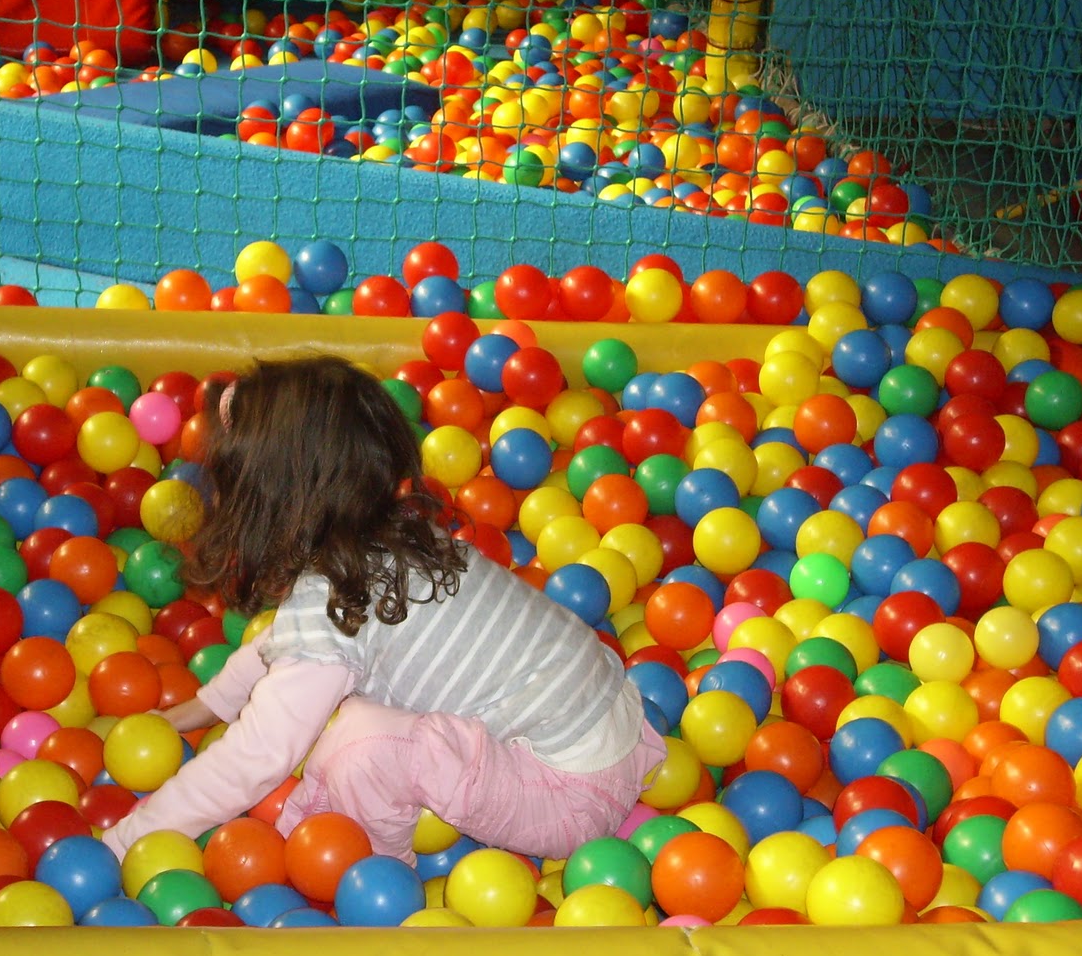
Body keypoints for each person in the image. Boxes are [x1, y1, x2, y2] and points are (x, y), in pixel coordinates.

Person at [99, 354, 666, 864]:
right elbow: (282, 645)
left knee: (361, 746)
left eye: (226, 482)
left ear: (267, 501)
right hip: (613, 723)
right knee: (345, 695)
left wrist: (126, 843)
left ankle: (379, 875)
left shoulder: (329, 605)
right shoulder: (394, 541)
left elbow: (257, 757)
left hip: (566, 794)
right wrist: (198, 711)